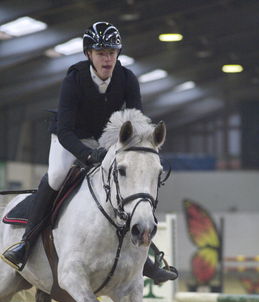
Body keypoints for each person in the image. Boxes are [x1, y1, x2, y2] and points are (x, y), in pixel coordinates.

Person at [1, 21, 178, 284]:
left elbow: (138, 121)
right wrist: (87, 155)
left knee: (129, 185)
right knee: (57, 176)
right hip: (69, 137)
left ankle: (148, 260)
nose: (107, 58)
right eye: (101, 53)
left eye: (112, 52)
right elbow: (65, 131)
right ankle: (25, 245)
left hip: (107, 140)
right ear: (89, 54)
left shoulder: (128, 78)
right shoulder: (74, 79)